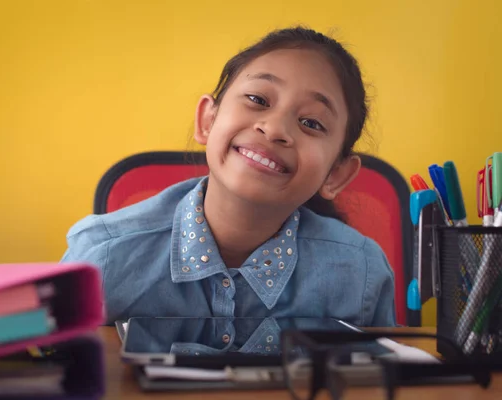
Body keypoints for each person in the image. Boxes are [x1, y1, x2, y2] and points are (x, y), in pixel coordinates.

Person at [61, 26, 396, 327]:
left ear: (336, 174)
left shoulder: (361, 273)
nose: (275, 128)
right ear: (208, 119)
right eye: (257, 99)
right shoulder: (103, 258)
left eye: (311, 123)